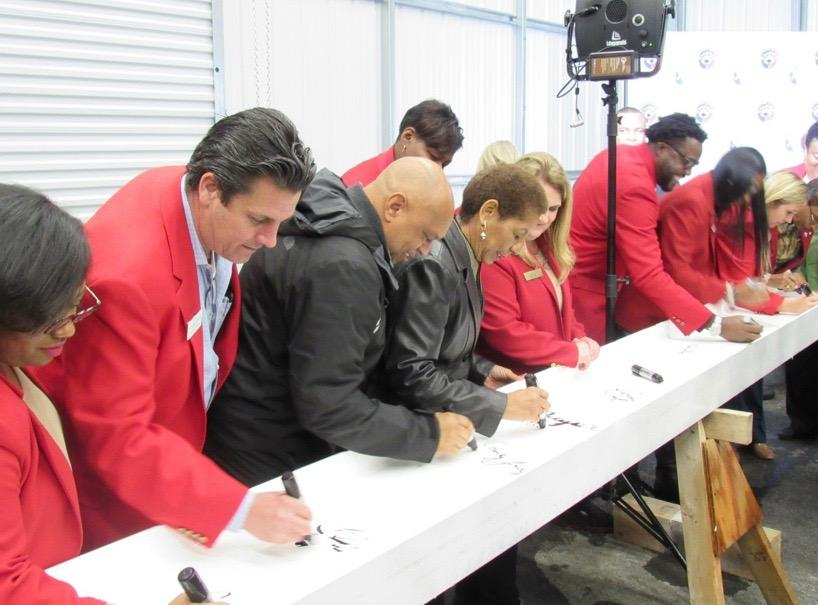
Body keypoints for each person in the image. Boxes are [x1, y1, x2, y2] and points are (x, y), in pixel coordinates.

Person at [32, 108, 315, 551]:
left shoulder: (193, 199)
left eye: (282, 222)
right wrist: (238, 509)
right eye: (260, 220)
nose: (271, 240)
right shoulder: (126, 279)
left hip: (171, 454)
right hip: (115, 499)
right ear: (209, 188)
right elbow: (117, 436)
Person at [0, 185, 223, 605]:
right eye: (49, 321)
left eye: (74, 308)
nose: (68, 330)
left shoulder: (15, 358)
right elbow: (8, 588)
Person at [205, 157, 475, 487]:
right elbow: (329, 404)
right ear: (394, 207)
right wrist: (429, 433)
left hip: (250, 429)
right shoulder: (343, 264)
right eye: (425, 235)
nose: (424, 250)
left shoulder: (328, 220)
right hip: (269, 453)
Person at [383, 163, 550, 605]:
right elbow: (411, 370)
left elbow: (446, 347)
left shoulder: (467, 256)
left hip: (448, 419)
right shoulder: (437, 262)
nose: (516, 249)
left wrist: (483, 370)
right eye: (515, 235)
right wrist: (499, 407)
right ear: (488, 212)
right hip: (421, 431)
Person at [570, 112, 763, 345]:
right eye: (686, 161)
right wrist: (716, 325)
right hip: (588, 295)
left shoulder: (621, 155)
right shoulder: (635, 185)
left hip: (585, 285)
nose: (688, 171)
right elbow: (649, 274)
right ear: (661, 148)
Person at [478, 152, 599, 372]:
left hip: (555, 372)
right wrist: (570, 352)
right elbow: (505, 332)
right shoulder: (496, 252)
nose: (544, 218)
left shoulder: (548, 245)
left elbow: (565, 311)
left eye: (553, 209)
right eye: (539, 207)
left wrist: (580, 338)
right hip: (515, 383)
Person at [342, 99, 463, 186]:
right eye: (432, 157)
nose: (438, 170)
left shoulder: (427, 187)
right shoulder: (357, 187)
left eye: (444, 164)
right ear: (408, 136)